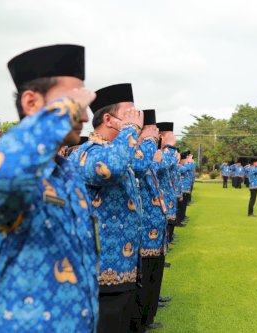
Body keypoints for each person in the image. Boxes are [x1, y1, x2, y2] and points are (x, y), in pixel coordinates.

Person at [0, 44, 99, 332]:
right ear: (31, 103)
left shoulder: (67, 171)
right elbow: (3, 174)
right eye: (73, 101)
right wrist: (64, 112)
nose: (85, 116)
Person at [69, 83, 146, 333]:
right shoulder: (87, 153)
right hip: (100, 272)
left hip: (123, 267)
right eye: (130, 113)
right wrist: (132, 130)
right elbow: (109, 169)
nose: (137, 118)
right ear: (108, 119)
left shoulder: (118, 150)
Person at [128, 109, 167, 332]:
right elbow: (142, 169)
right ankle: (142, 320)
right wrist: (151, 143)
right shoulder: (134, 152)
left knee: (152, 276)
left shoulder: (146, 153)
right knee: (141, 283)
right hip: (143, 227)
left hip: (155, 220)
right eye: (152, 131)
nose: (156, 136)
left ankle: (147, 317)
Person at [156, 122, 178, 244]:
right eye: (170, 136)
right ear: (161, 136)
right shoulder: (157, 151)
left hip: (168, 192)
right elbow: (162, 166)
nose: (173, 140)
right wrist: (169, 147)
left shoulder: (166, 152)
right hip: (160, 196)